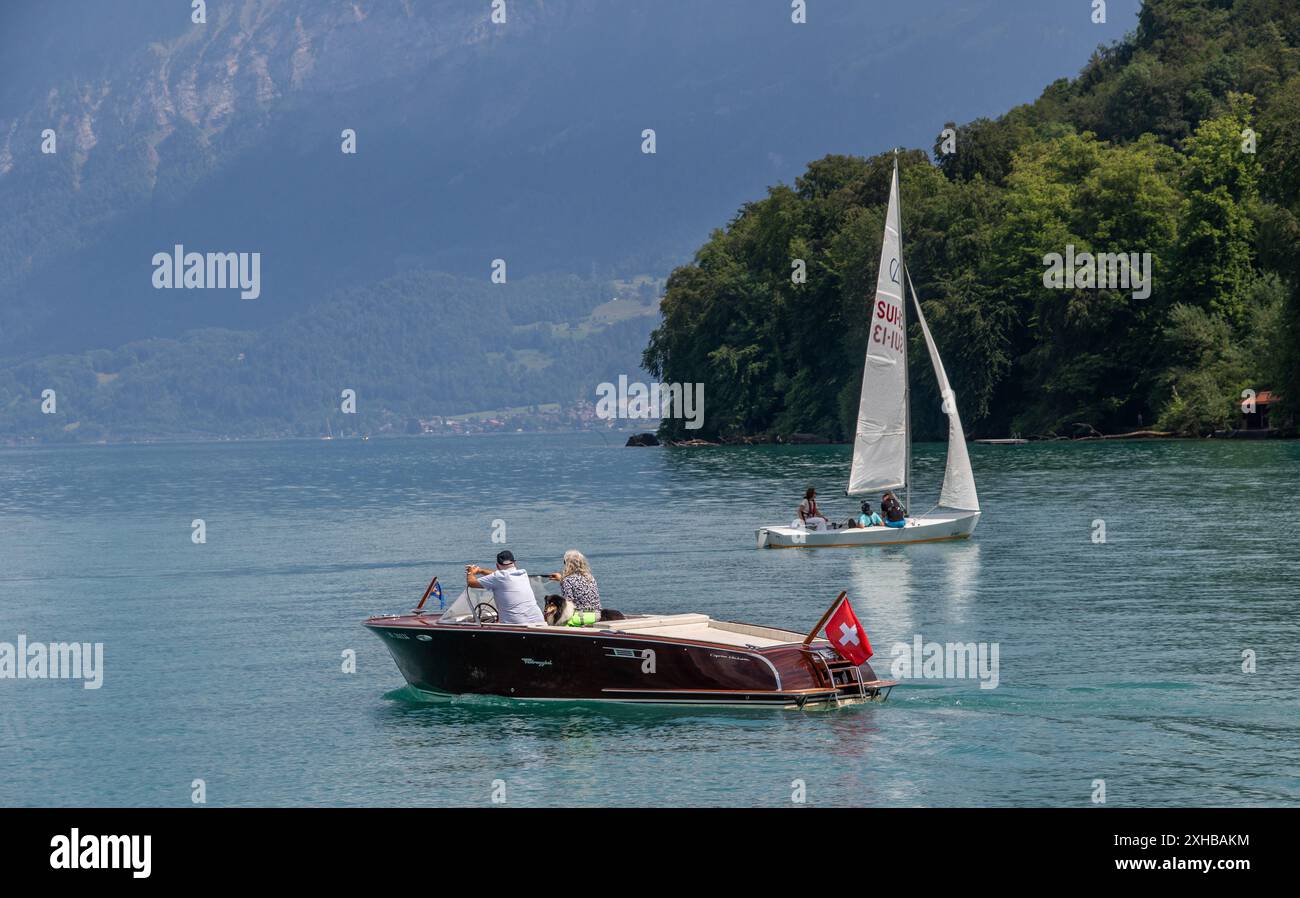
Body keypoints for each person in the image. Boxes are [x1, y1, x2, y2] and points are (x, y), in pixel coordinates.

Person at [466, 550, 545, 625]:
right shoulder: (523, 573)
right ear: (515, 563)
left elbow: (471, 583)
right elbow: (500, 575)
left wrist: (470, 572)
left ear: (497, 566)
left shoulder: (498, 577)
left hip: (516, 626)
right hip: (539, 622)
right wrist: (481, 571)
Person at [547, 549, 601, 626]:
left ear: (567, 564)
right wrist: (562, 580)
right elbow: (577, 584)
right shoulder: (590, 577)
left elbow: (567, 605)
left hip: (580, 618)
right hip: (596, 616)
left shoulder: (567, 580)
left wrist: (563, 581)